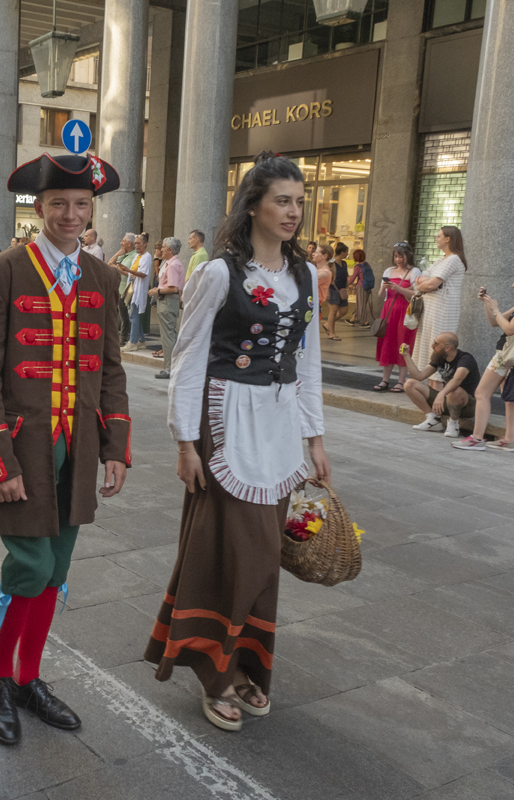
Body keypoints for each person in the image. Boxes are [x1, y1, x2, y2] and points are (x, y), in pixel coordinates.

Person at [0, 151, 131, 746]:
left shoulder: (104, 277)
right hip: (24, 452)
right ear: (39, 208)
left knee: (58, 570)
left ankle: (29, 678)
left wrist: (115, 448)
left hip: (76, 449)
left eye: (80, 205)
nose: (70, 215)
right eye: (58, 205)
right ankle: (1, 679)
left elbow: (111, 371)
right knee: (31, 566)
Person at [149, 151, 328, 733]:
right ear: (253, 204)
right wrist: (184, 441)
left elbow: (308, 361)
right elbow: (188, 358)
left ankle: (245, 662)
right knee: (231, 548)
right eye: (282, 199)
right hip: (224, 421)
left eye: (299, 201)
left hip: (276, 427)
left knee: (265, 555)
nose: (293, 211)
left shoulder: (304, 277)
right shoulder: (220, 272)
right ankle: (214, 671)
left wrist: (315, 437)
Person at [456, 265, 514, 452]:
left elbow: (509, 329)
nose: (513, 284)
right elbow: (494, 322)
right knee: (510, 397)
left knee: (481, 393)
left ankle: (477, 438)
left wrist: (497, 309)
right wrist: (488, 304)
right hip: (513, 356)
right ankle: (509, 440)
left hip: (506, 355)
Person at [401, 332, 479, 439]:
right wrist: (406, 356)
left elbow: (457, 380)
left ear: (447, 347)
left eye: (436, 344)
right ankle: (433, 419)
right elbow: (418, 376)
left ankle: (453, 423)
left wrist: (441, 394)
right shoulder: (439, 358)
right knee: (410, 384)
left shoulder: (465, 359)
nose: (432, 346)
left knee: (454, 390)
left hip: (466, 405)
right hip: (446, 400)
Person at [373, 242, 422, 392]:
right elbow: (382, 296)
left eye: (401, 256)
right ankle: (385, 380)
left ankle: (401, 381)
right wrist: (383, 287)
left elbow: (418, 293)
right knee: (388, 343)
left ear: (408, 256)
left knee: (403, 342)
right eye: (396, 256)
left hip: (405, 311)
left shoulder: (414, 271)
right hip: (388, 311)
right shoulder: (389, 270)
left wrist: (400, 289)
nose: (398, 259)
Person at [415, 225, 467, 364]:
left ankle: (437, 384)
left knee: (439, 348)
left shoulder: (453, 259)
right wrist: (424, 282)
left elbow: (431, 284)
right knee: (430, 348)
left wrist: (426, 283)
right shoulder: (441, 259)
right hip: (432, 308)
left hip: (443, 310)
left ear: (448, 239)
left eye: (439, 236)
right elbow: (421, 280)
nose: (436, 239)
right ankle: (431, 384)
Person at [150, 237, 185, 379]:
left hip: (168, 301)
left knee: (168, 336)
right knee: (169, 335)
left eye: (163, 247)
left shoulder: (173, 265)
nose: (161, 249)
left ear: (170, 250)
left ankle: (170, 368)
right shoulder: (169, 263)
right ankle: (172, 366)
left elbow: (173, 288)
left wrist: (156, 291)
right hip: (166, 301)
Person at [119, 232, 152, 352]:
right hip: (131, 288)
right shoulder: (137, 256)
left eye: (139, 243)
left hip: (138, 290)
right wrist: (123, 270)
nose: (136, 245)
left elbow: (143, 274)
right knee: (133, 316)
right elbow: (131, 274)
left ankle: (132, 342)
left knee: (133, 316)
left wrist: (128, 270)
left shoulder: (146, 256)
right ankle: (141, 340)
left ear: (145, 244)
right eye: (136, 243)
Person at [107, 233, 137, 344]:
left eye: (123, 241)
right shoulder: (124, 255)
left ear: (129, 243)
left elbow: (128, 273)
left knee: (125, 315)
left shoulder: (134, 256)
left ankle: (124, 338)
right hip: (118, 288)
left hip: (126, 289)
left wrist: (116, 268)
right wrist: (119, 253)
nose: (121, 243)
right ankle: (121, 336)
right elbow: (110, 262)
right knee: (119, 314)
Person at [325, 242, 350, 338]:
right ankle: (331, 333)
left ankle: (328, 324)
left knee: (344, 310)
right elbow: (327, 278)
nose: (347, 254)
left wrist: (347, 285)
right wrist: (327, 292)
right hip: (333, 289)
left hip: (342, 290)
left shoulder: (344, 263)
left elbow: (345, 276)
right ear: (342, 252)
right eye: (346, 252)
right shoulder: (331, 263)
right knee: (333, 311)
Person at [311, 243, 333, 337]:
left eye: (316, 252)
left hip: (313, 306)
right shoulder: (316, 270)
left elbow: (305, 282)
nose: (313, 254)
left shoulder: (324, 273)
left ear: (324, 256)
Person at [348, 248, 374, 327]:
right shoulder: (367, 264)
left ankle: (365, 322)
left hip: (361, 287)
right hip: (368, 287)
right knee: (360, 303)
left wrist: (346, 283)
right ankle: (352, 319)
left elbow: (353, 278)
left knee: (361, 305)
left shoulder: (358, 266)